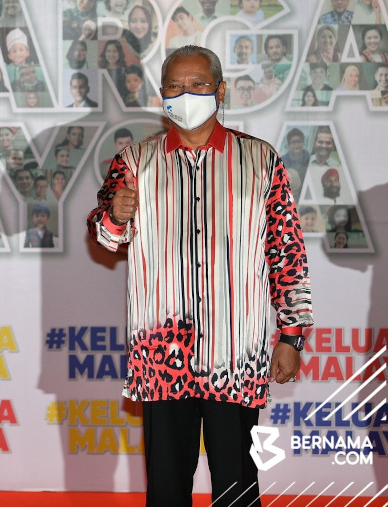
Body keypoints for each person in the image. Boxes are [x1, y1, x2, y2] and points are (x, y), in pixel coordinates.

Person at [87, 45, 312, 507]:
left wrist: (291, 335)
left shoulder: (260, 160)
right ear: (162, 95)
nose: (185, 94)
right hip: (160, 352)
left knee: (236, 479)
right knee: (167, 484)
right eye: (175, 86)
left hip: (236, 350)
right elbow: (107, 240)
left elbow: (286, 251)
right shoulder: (134, 162)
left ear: (221, 91)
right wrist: (114, 215)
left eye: (198, 85)